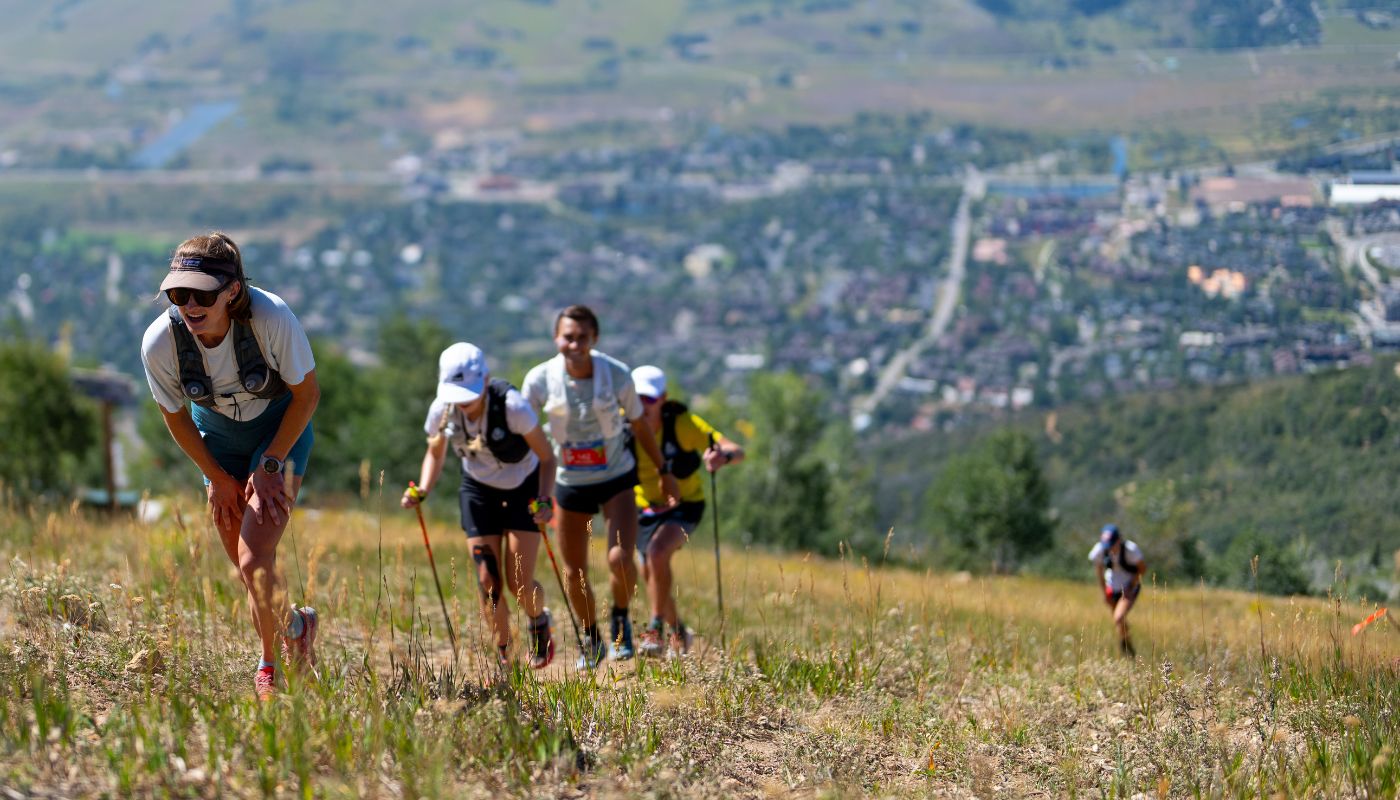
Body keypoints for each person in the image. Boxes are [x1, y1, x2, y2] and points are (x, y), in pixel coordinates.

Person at [139, 232, 320, 699]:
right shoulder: (160, 342)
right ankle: (297, 627)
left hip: (280, 432)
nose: (190, 305)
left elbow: (307, 396)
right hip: (216, 443)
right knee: (247, 569)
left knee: (254, 556)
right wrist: (217, 478)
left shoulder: (271, 317)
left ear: (232, 290)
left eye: (202, 294)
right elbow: (175, 417)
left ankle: (268, 667)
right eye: (179, 294)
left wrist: (272, 463)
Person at [522, 306, 678, 668]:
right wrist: (531, 489)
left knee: (620, 559)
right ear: (556, 338)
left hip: (615, 478)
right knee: (573, 571)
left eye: (582, 338)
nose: (575, 345)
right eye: (568, 337)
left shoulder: (616, 375)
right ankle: (591, 639)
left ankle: (620, 621)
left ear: (594, 339)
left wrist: (663, 470)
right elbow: (525, 434)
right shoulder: (540, 379)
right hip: (569, 482)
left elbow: (639, 426)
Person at [401, 342, 558, 669]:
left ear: (485, 381)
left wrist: (544, 499)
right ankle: (505, 657)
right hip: (478, 490)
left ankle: (539, 620)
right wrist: (423, 489)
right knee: (488, 580)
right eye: (456, 395)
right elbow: (434, 452)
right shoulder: (442, 410)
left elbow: (547, 457)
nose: (463, 403)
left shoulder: (513, 407)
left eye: (469, 395)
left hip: (523, 487)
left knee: (519, 583)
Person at [629, 365, 744, 658]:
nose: (643, 405)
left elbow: (736, 450)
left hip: (686, 506)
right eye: (637, 398)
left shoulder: (683, 424)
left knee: (656, 553)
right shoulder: (622, 424)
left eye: (649, 399)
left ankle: (655, 629)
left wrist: (722, 456)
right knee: (650, 572)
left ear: (663, 399)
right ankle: (679, 631)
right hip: (645, 508)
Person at [1088, 524, 1145, 656]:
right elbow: (1099, 573)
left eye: (1112, 545)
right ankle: (1127, 647)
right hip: (1111, 587)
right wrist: (1104, 593)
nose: (1110, 548)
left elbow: (1142, 568)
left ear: (1119, 540)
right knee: (1119, 621)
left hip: (1128, 587)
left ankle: (1126, 648)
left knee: (1119, 618)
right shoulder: (1100, 550)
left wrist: (1131, 585)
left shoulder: (1131, 549)